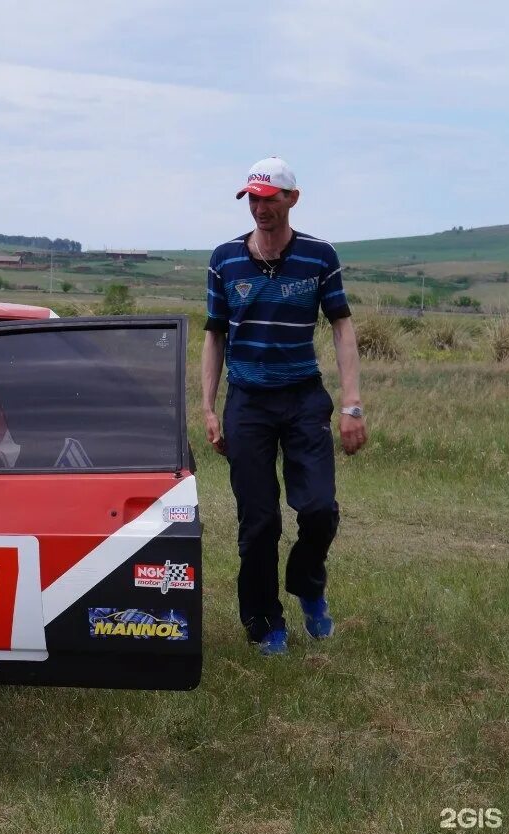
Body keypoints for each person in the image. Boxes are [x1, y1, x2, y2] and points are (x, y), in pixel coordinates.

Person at [201, 156, 368, 656]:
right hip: (247, 402)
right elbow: (214, 337)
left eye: (269, 200)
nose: (260, 209)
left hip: (302, 397)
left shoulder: (319, 256)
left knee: (318, 509)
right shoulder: (224, 259)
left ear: (292, 199)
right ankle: (263, 622)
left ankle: (308, 583)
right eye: (252, 199)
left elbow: (341, 326)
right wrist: (209, 409)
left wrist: (352, 404)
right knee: (259, 521)